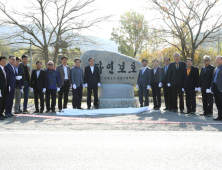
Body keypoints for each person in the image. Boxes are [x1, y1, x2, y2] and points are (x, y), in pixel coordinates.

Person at [211, 56, 222, 121]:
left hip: (221, 87)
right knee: (217, 102)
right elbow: (213, 78)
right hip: (215, 87)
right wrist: (212, 87)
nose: (217, 61)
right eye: (216, 59)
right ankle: (220, 116)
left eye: (218, 59)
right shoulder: (216, 68)